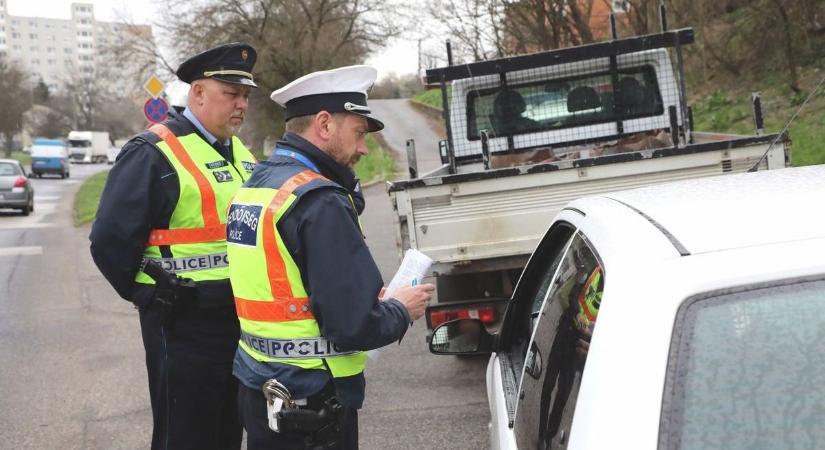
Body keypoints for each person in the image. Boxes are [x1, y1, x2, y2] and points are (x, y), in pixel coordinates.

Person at [226, 65, 434, 450]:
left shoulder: (256, 184)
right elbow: (354, 326)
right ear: (324, 124)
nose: (363, 148)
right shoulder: (320, 201)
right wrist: (401, 309)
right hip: (312, 402)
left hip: (259, 388)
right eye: (358, 133)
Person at [89, 42, 259, 450]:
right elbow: (109, 240)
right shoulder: (152, 151)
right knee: (184, 435)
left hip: (237, 319)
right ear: (198, 92)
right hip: (183, 322)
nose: (241, 105)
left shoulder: (239, 151)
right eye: (231, 94)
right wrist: (148, 295)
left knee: (226, 430)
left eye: (246, 96)